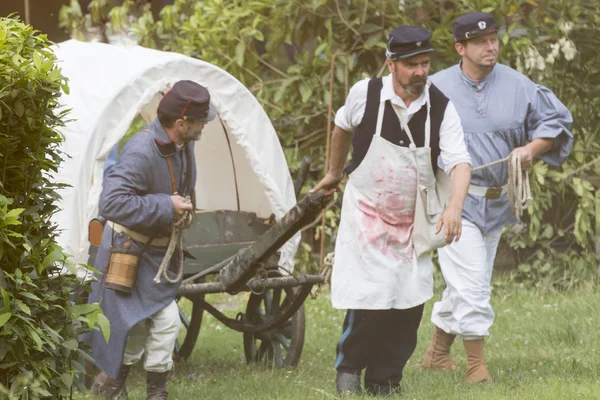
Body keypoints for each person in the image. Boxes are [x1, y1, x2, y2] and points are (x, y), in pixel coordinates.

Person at [311, 25, 472, 396]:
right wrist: (334, 172)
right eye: (412, 64)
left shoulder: (441, 107)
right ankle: (349, 370)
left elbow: (460, 162)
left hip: (413, 220)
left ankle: (385, 379)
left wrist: (454, 207)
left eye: (426, 63)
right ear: (391, 64)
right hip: (367, 213)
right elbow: (341, 126)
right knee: (371, 298)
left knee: (409, 304)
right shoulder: (364, 95)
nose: (420, 71)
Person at [423, 12, 573, 383]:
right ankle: (477, 369)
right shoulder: (435, 88)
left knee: (469, 282)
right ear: (461, 47)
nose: (491, 47)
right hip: (453, 202)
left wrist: (531, 150)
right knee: (472, 283)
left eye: (494, 39)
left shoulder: (518, 84)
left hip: (498, 201)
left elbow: (555, 125)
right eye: (481, 42)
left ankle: (437, 354)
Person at [89, 80, 217, 399]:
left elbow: (184, 189)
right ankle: (114, 386)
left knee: (163, 323)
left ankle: (144, 391)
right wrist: (165, 206)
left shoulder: (184, 144)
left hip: (157, 257)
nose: (205, 125)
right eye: (201, 121)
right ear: (181, 123)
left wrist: (183, 210)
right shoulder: (140, 150)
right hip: (129, 255)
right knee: (131, 330)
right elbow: (111, 204)